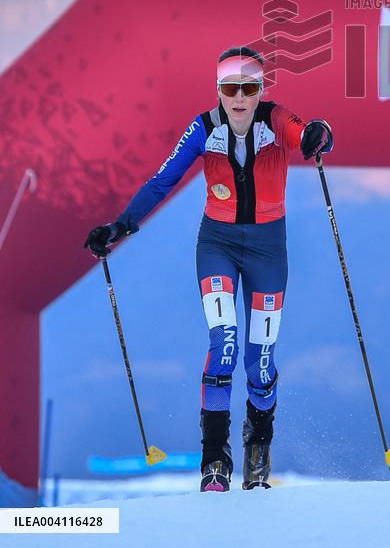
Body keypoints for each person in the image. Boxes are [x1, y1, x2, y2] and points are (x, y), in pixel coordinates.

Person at [83, 46, 333, 492]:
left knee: (260, 362)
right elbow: (162, 180)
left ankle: (258, 444)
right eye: (230, 88)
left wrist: (319, 134)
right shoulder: (203, 128)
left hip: (268, 250)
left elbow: (310, 133)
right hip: (217, 245)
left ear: (261, 91)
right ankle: (214, 458)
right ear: (218, 90)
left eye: (248, 89)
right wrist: (119, 226)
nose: (239, 98)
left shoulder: (276, 119)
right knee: (224, 343)